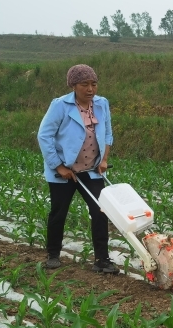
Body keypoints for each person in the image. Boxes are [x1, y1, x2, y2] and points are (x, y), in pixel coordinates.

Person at [37, 64, 119, 273]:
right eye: (85, 84)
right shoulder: (60, 106)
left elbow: (108, 133)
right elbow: (44, 136)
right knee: (59, 212)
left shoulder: (102, 104)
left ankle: (102, 260)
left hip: (92, 169)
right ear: (74, 85)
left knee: (101, 211)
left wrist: (104, 160)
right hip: (64, 172)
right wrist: (59, 166)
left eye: (93, 84)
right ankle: (53, 254)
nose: (90, 89)